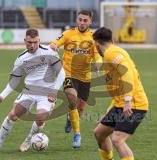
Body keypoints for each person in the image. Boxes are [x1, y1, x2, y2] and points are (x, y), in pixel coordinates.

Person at [0, 28, 65, 154]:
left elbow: (62, 73)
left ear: (39, 40)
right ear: (25, 41)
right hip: (29, 91)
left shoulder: (49, 52)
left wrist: (54, 91)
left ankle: (29, 140)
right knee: (12, 115)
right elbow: (14, 81)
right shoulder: (21, 58)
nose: (33, 45)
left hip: (47, 92)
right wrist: (2, 96)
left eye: (35, 42)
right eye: (29, 42)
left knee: (40, 118)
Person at [92, 27, 149, 160]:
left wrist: (128, 100)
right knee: (99, 133)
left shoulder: (111, 53)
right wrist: (109, 110)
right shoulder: (114, 53)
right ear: (112, 39)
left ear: (97, 44)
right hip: (120, 105)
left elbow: (127, 72)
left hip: (135, 104)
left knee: (117, 139)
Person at [50, 10, 101, 148]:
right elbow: (56, 41)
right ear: (76, 20)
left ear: (90, 22)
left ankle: (69, 118)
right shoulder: (68, 34)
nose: (82, 22)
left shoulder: (93, 37)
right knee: (72, 98)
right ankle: (77, 134)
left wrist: (97, 64)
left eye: (85, 20)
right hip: (68, 73)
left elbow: (97, 55)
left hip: (85, 77)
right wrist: (54, 45)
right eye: (80, 20)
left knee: (80, 108)